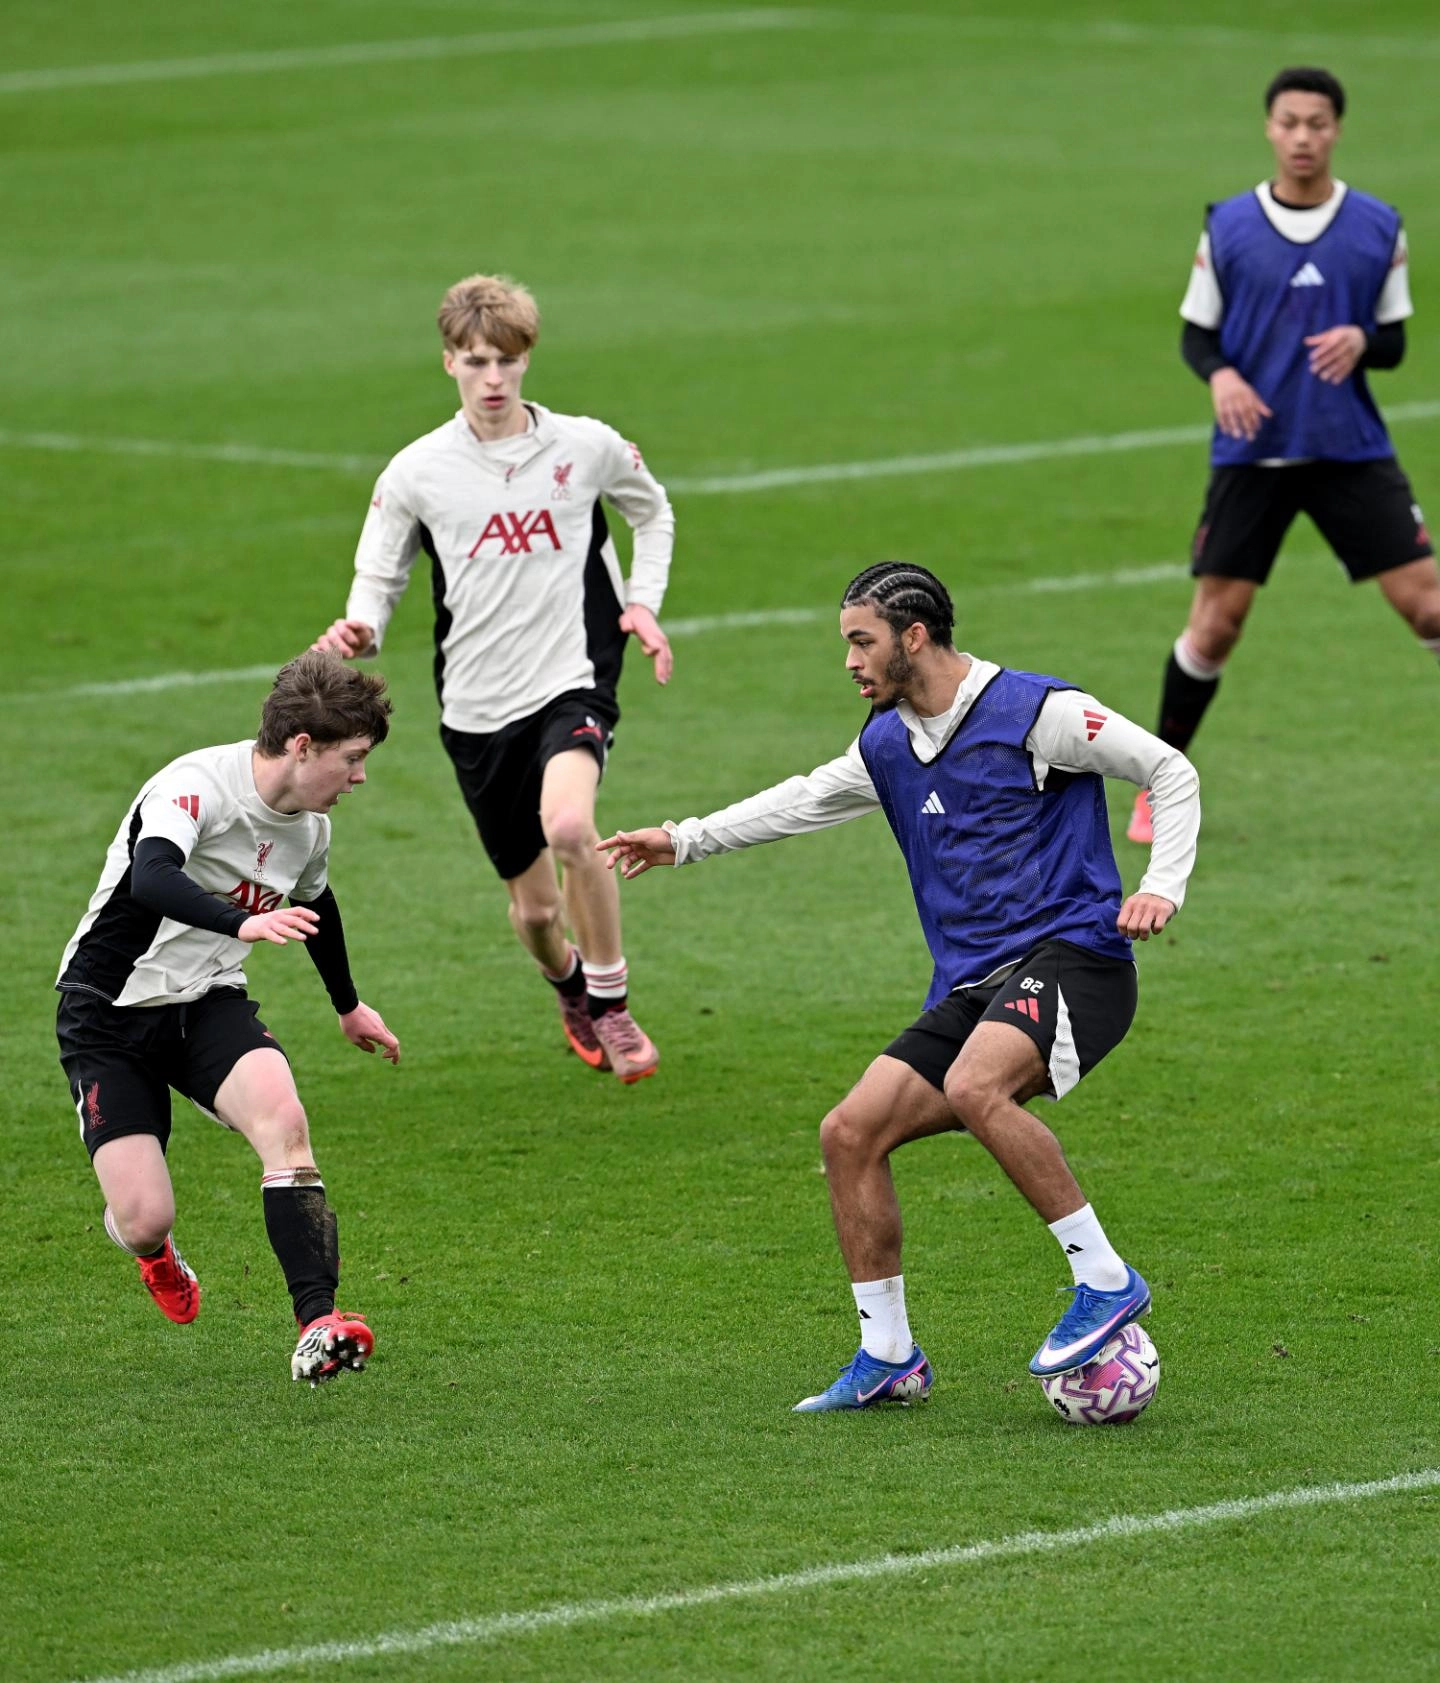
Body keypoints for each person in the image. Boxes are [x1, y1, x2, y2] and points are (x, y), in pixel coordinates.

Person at [598, 563, 1200, 1411]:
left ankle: (1104, 1279)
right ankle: (888, 1354)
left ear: (913, 637)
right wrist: (682, 839)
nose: (850, 660)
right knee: (849, 1133)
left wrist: (1161, 885)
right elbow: (804, 799)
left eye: (861, 641)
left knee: (976, 1084)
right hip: (975, 985)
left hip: (1078, 960)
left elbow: (1169, 769)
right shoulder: (887, 741)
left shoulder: (1038, 713)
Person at [313, 273, 674, 1083]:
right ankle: (569, 984)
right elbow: (378, 578)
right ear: (449, 361)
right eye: (476, 361)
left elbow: (652, 511)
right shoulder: (418, 470)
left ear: (527, 358)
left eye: (507, 360)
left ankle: (613, 1005)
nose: (493, 378)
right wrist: (361, 627)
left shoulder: (584, 446)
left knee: (573, 827)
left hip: (573, 677)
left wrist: (642, 603)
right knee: (537, 911)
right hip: (476, 707)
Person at [55, 652, 401, 1386]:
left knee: (286, 1122)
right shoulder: (194, 787)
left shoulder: (310, 829)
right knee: (144, 1216)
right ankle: (154, 1253)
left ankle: (318, 1323)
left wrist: (348, 1006)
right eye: (352, 758)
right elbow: (152, 876)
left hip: (208, 1001)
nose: (360, 777)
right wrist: (240, 923)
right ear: (302, 746)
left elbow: (318, 904)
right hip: (108, 1009)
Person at [1128, 65, 1439, 844]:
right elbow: (1197, 334)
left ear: (1337, 130)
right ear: (1270, 128)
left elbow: (1394, 340)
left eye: (1318, 124)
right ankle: (1159, 783)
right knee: (1215, 628)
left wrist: (1362, 337)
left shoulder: (1377, 226)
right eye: (1290, 122)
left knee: (1430, 606)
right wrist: (1222, 374)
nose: (1304, 137)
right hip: (1253, 455)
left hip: (1349, 450)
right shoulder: (1230, 226)